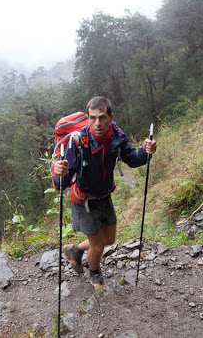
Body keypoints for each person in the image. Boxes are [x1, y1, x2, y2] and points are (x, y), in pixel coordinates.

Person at [53, 96, 157, 288]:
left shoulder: (116, 136)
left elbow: (133, 159)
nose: (97, 123)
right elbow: (61, 184)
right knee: (98, 246)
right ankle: (94, 274)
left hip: (103, 196)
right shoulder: (78, 142)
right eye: (92, 118)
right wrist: (60, 172)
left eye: (102, 117)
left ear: (111, 117)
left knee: (109, 239)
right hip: (84, 200)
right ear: (88, 117)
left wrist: (146, 150)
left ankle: (75, 250)